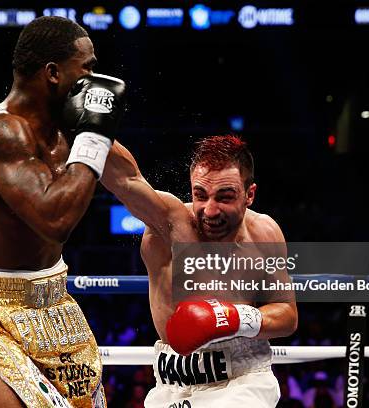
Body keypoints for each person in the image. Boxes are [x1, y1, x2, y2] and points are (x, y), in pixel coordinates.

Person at [0, 16, 126, 408]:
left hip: (55, 300)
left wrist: (187, 218)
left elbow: (134, 185)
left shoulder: (70, 128)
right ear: (54, 72)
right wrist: (94, 136)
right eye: (88, 66)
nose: (95, 77)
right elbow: (54, 220)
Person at [101, 135, 298, 407]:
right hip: (171, 384)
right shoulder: (170, 224)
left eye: (225, 197)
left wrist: (231, 318)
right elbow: (125, 179)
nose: (210, 209)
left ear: (249, 194)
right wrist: (84, 122)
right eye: (200, 195)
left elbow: (287, 315)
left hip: (241, 381)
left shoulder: (263, 233)